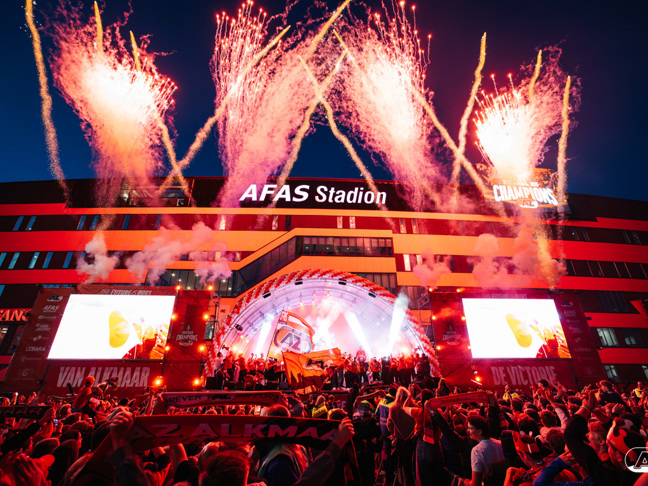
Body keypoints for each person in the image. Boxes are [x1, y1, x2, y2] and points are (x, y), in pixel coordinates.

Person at [466, 414, 505, 486]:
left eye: (470, 428)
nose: (467, 431)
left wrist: (467, 483)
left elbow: (476, 484)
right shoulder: (499, 443)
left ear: (479, 431)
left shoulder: (477, 451)